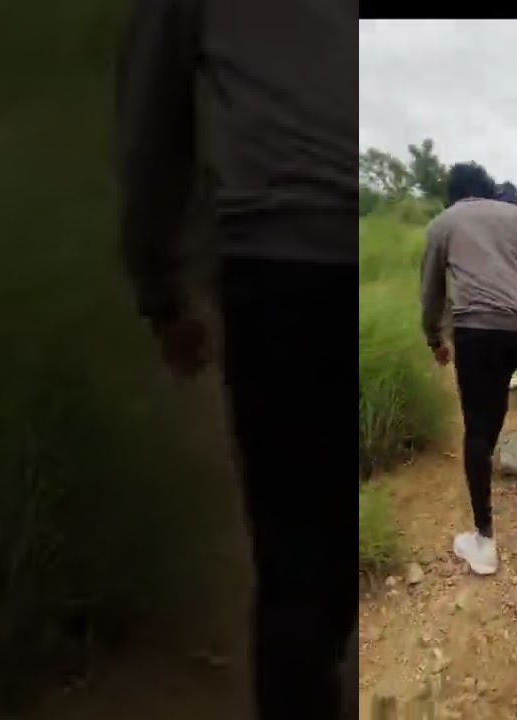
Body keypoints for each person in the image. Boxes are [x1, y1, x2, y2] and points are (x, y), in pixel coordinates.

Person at [115, 1, 354, 719]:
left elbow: (149, 134)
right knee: (335, 541)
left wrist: (161, 293)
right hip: (341, 256)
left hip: (278, 270)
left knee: (296, 560)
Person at [420, 164, 517, 575]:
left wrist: (434, 339)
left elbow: (432, 292)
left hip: (477, 333)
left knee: (476, 428)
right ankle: (495, 430)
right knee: (494, 392)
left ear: (455, 194)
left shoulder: (443, 223)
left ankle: (483, 543)